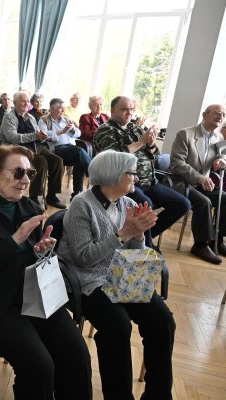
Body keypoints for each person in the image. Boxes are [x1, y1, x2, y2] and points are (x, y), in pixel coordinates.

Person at [0, 145, 92, 400]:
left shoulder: (31, 208)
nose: (25, 180)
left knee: (77, 353)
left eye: (30, 173)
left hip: (34, 294)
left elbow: (37, 259)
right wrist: (14, 241)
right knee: (40, 365)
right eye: (17, 172)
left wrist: (42, 251)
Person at [58, 149, 175, 400]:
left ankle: (159, 394)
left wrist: (139, 235)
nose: (136, 177)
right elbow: (83, 257)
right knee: (118, 326)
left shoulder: (129, 203)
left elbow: (134, 253)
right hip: (85, 279)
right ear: (112, 176)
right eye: (130, 173)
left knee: (162, 319)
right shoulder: (81, 205)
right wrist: (122, 234)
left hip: (121, 276)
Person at [94, 96, 191, 254]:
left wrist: (151, 143)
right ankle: (145, 247)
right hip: (123, 183)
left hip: (150, 181)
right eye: (124, 109)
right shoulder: (105, 130)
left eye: (132, 109)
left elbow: (155, 155)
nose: (129, 113)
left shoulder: (135, 128)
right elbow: (114, 157)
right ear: (113, 110)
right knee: (146, 204)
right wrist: (141, 142)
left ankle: (145, 237)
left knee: (182, 204)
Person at [170, 104, 226, 263]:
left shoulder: (218, 138)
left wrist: (222, 160)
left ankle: (217, 240)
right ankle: (200, 246)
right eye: (216, 113)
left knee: (225, 198)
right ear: (204, 114)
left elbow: (223, 156)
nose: (220, 117)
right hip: (183, 183)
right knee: (204, 202)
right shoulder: (185, 134)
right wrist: (199, 177)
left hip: (204, 184)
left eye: (223, 114)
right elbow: (176, 163)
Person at [0, 91, 66, 209]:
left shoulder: (31, 117)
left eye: (27, 101)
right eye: (23, 101)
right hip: (17, 149)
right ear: (15, 103)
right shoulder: (9, 116)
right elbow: (13, 137)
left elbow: (37, 135)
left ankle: (52, 195)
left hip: (36, 147)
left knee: (57, 161)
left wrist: (42, 137)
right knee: (40, 162)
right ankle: (34, 197)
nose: (26, 104)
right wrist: (35, 136)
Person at [38, 98, 90, 200]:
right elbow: (44, 135)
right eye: (60, 108)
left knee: (79, 159)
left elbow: (79, 134)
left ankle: (77, 194)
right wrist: (62, 131)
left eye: (63, 108)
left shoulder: (66, 119)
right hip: (55, 149)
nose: (63, 111)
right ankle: (93, 172)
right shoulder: (43, 120)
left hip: (71, 150)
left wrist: (73, 129)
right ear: (52, 109)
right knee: (79, 151)